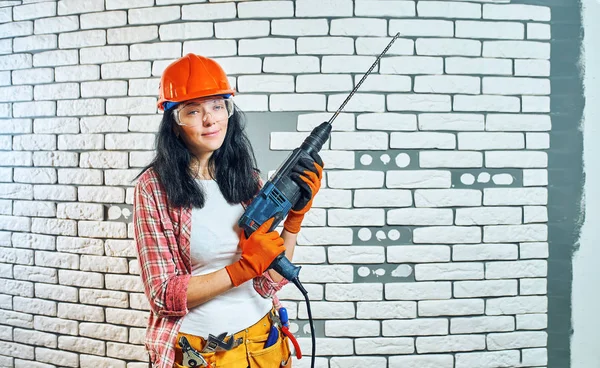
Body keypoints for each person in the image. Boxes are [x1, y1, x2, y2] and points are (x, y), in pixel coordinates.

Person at [133, 53, 324, 368]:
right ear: (174, 123)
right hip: (204, 353)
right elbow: (163, 295)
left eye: (218, 107)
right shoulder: (153, 188)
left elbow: (269, 282)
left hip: (265, 340)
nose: (210, 120)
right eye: (193, 111)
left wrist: (294, 221)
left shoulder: (245, 179)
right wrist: (242, 269)